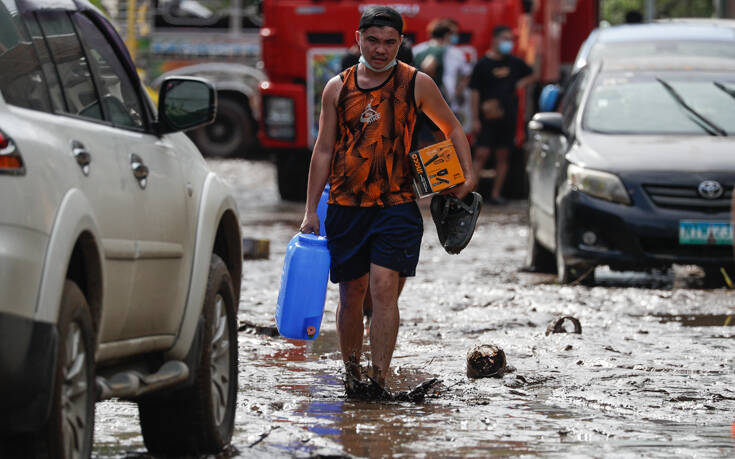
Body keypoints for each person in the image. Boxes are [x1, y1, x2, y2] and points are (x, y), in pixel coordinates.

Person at [299, 6, 476, 396]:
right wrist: (311, 211)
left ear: (401, 42)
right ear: (358, 38)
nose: (381, 49)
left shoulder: (417, 83)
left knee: (383, 289)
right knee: (351, 293)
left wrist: (466, 175)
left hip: (397, 205)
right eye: (373, 40)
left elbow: (453, 129)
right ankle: (351, 375)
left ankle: (378, 379)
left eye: (390, 42)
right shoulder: (337, 88)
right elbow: (324, 150)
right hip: (345, 206)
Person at [469, 25, 535, 205]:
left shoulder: (515, 63)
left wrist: (520, 84)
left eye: (510, 40)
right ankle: (470, 194)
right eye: (504, 39)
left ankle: (496, 194)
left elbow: (532, 74)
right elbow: (474, 93)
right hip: (487, 117)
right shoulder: (483, 65)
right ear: (494, 40)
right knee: (481, 154)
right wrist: (475, 118)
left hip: (508, 116)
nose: (508, 43)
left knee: (503, 155)